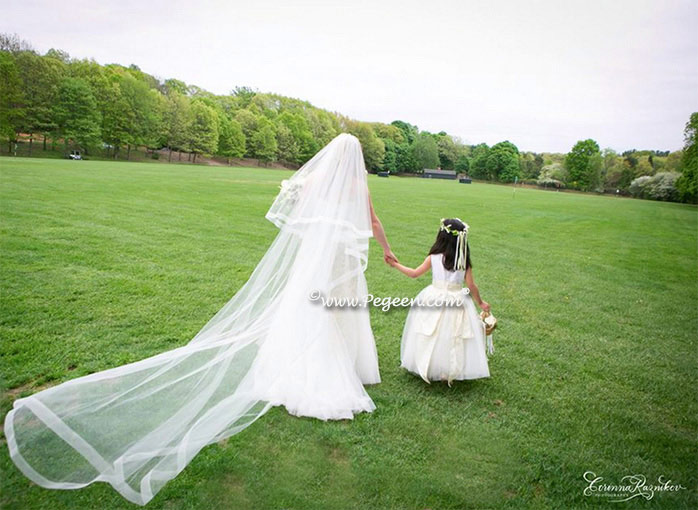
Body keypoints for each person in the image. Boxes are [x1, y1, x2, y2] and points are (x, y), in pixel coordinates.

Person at [4, 133, 393, 505]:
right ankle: (337, 370)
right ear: (355, 158)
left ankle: (300, 369)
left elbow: (298, 208)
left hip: (313, 263)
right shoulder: (359, 188)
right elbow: (373, 224)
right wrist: (389, 253)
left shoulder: (314, 179)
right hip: (339, 262)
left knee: (308, 313)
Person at [387, 218, 491, 385]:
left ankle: (431, 365)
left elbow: (414, 273)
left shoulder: (434, 257)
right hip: (457, 300)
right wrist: (481, 303)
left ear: (441, 237)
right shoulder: (463, 260)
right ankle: (447, 370)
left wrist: (395, 265)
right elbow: (471, 285)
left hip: (433, 297)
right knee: (453, 334)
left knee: (431, 332)